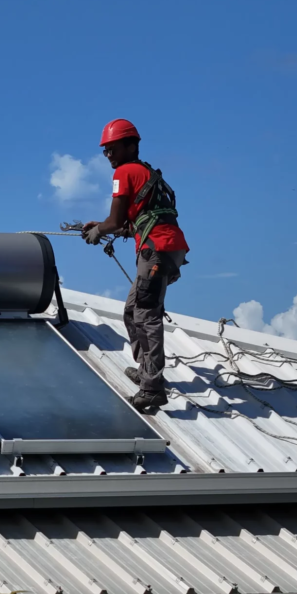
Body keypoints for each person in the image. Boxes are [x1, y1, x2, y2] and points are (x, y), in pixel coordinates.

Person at [82, 119, 189, 412]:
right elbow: (133, 223)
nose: (108, 155)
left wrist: (100, 230)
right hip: (168, 247)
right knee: (133, 310)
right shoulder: (146, 173)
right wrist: (101, 226)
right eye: (105, 151)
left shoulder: (124, 172)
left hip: (156, 250)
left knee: (145, 314)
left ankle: (152, 387)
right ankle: (146, 371)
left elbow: (116, 222)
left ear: (131, 146)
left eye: (113, 148)